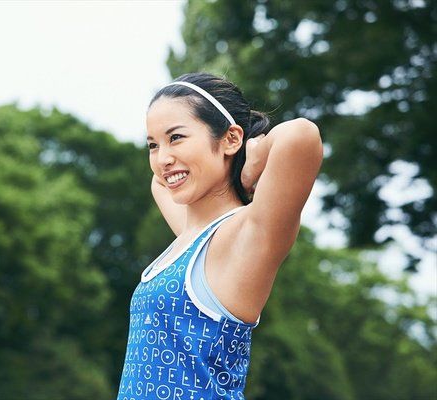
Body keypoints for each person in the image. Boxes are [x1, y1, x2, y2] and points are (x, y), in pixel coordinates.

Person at [116, 72, 323, 400]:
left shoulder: (244, 237)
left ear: (230, 139)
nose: (162, 158)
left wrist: (255, 162)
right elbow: (158, 182)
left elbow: (302, 135)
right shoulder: (190, 235)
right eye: (153, 145)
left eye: (177, 137)